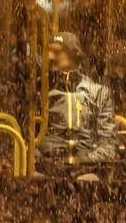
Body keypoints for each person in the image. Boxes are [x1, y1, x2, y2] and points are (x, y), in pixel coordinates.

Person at [37, 32, 118, 166]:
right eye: (48, 52)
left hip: (86, 166)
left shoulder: (98, 93)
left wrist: (84, 162)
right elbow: (27, 138)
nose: (51, 57)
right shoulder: (39, 91)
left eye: (57, 52)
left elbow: (107, 143)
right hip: (45, 165)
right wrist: (41, 162)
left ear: (74, 56)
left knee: (89, 178)